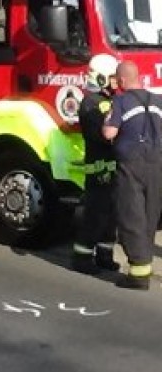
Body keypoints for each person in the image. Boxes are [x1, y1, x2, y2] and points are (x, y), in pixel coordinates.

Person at [102, 60, 162, 290]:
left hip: (131, 164)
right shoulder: (157, 99)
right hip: (157, 162)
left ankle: (138, 274)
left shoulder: (120, 100)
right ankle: (144, 263)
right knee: (150, 213)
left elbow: (109, 132)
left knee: (131, 214)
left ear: (123, 80)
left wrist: (105, 119)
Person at [71, 54, 120, 275]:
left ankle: (104, 255)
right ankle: (82, 258)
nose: (116, 82)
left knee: (110, 217)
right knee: (95, 215)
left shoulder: (107, 101)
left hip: (111, 170)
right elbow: (103, 135)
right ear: (101, 78)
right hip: (98, 171)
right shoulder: (92, 104)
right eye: (112, 78)